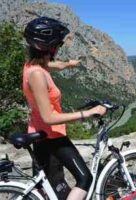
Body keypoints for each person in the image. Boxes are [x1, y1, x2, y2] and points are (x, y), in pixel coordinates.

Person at [22, 16, 107, 200]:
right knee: (85, 178)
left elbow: (52, 66)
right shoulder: (37, 74)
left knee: (53, 190)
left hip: (42, 134)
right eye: (58, 45)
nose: (58, 49)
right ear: (49, 46)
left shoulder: (32, 66)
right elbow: (49, 117)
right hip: (51, 136)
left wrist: (69, 64)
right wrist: (88, 113)